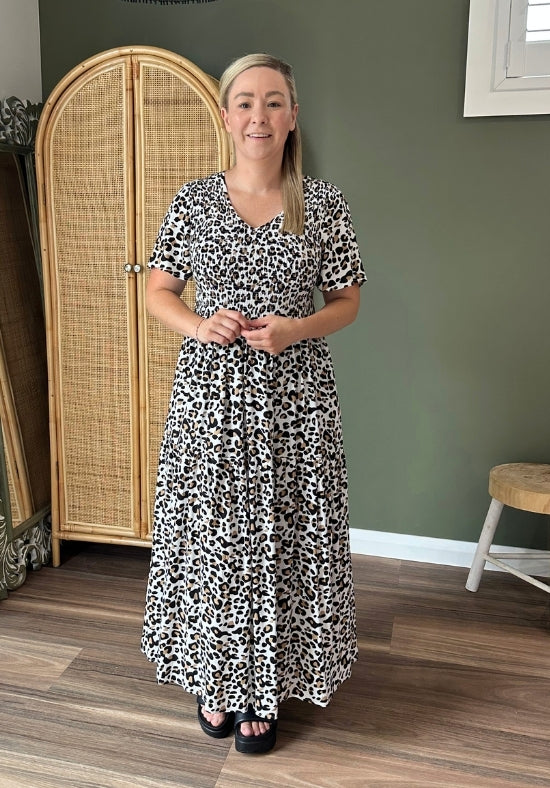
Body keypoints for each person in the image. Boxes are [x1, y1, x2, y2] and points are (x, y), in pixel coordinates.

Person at [141, 52, 366, 755]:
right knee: (216, 540)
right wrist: (199, 324)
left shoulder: (322, 204)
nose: (258, 115)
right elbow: (158, 291)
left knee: (282, 538)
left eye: (273, 102)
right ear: (226, 115)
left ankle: (264, 686)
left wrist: (297, 329)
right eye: (244, 101)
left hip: (295, 405)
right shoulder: (193, 201)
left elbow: (348, 301)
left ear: (293, 116)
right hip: (211, 404)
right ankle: (218, 678)